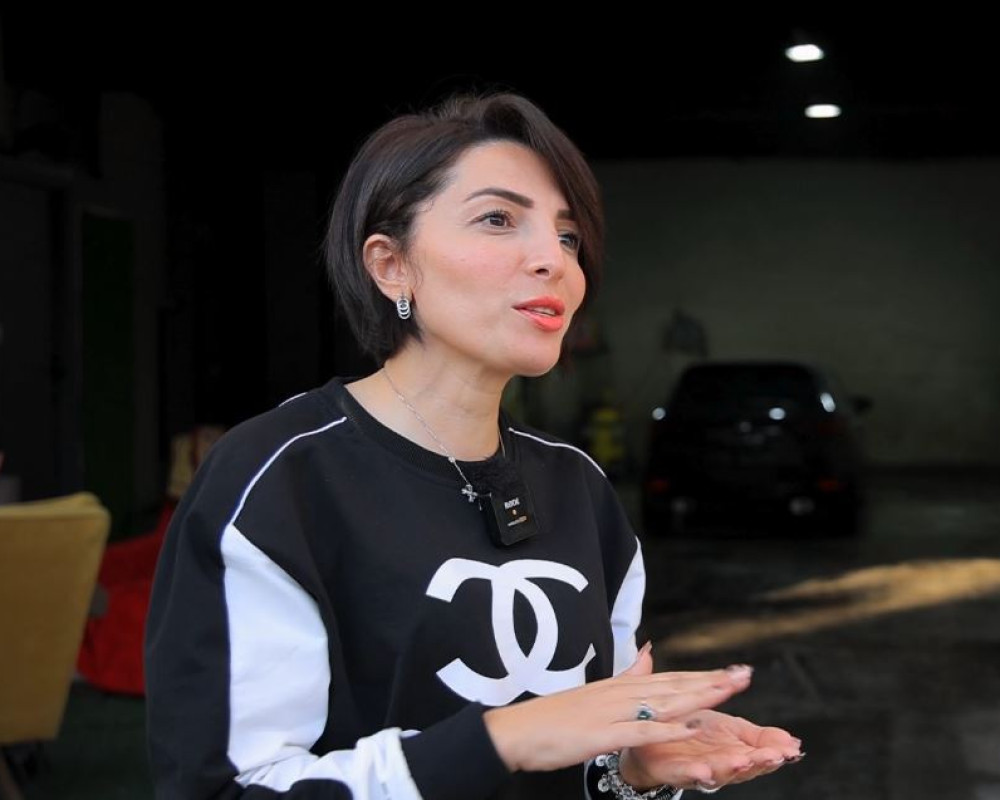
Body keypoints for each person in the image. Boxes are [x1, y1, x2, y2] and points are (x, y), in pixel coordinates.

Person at [144, 91, 802, 800]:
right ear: (391, 265)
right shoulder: (280, 481)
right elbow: (231, 789)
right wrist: (504, 739)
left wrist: (631, 771)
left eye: (568, 237)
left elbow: (594, 747)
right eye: (498, 219)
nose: (554, 260)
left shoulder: (577, 486)